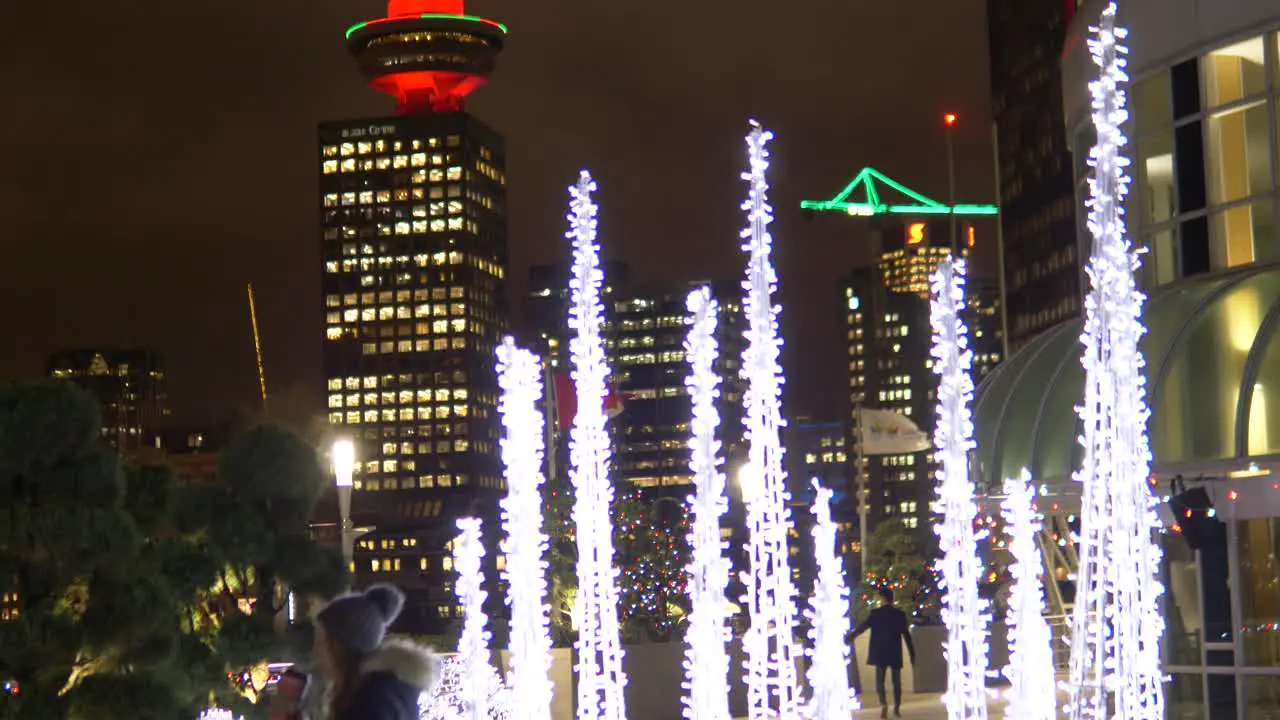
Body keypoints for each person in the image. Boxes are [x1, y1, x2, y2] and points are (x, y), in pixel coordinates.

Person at [309, 583, 440, 720]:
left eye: (321, 642)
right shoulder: (382, 694)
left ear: (338, 648)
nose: (315, 651)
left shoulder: (372, 704)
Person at [851, 587, 915, 719]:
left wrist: (851, 636)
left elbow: (863, 627)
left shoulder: (876, 614)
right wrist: (912, 653)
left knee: (880, 680)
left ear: (883, 599)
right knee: (896, 680)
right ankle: (896, 708)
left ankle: (884, 704)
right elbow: (906, 635)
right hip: (895, 651)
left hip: (880, 651)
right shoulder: (899, 615)